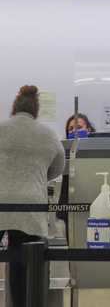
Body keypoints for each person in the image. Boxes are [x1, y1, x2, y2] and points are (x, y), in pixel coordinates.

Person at [0, 86, 64, 306]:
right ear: (36, 110)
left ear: (14, 108)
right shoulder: (48, 134)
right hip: (31, 205)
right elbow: (57, 169)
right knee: (26, 265)